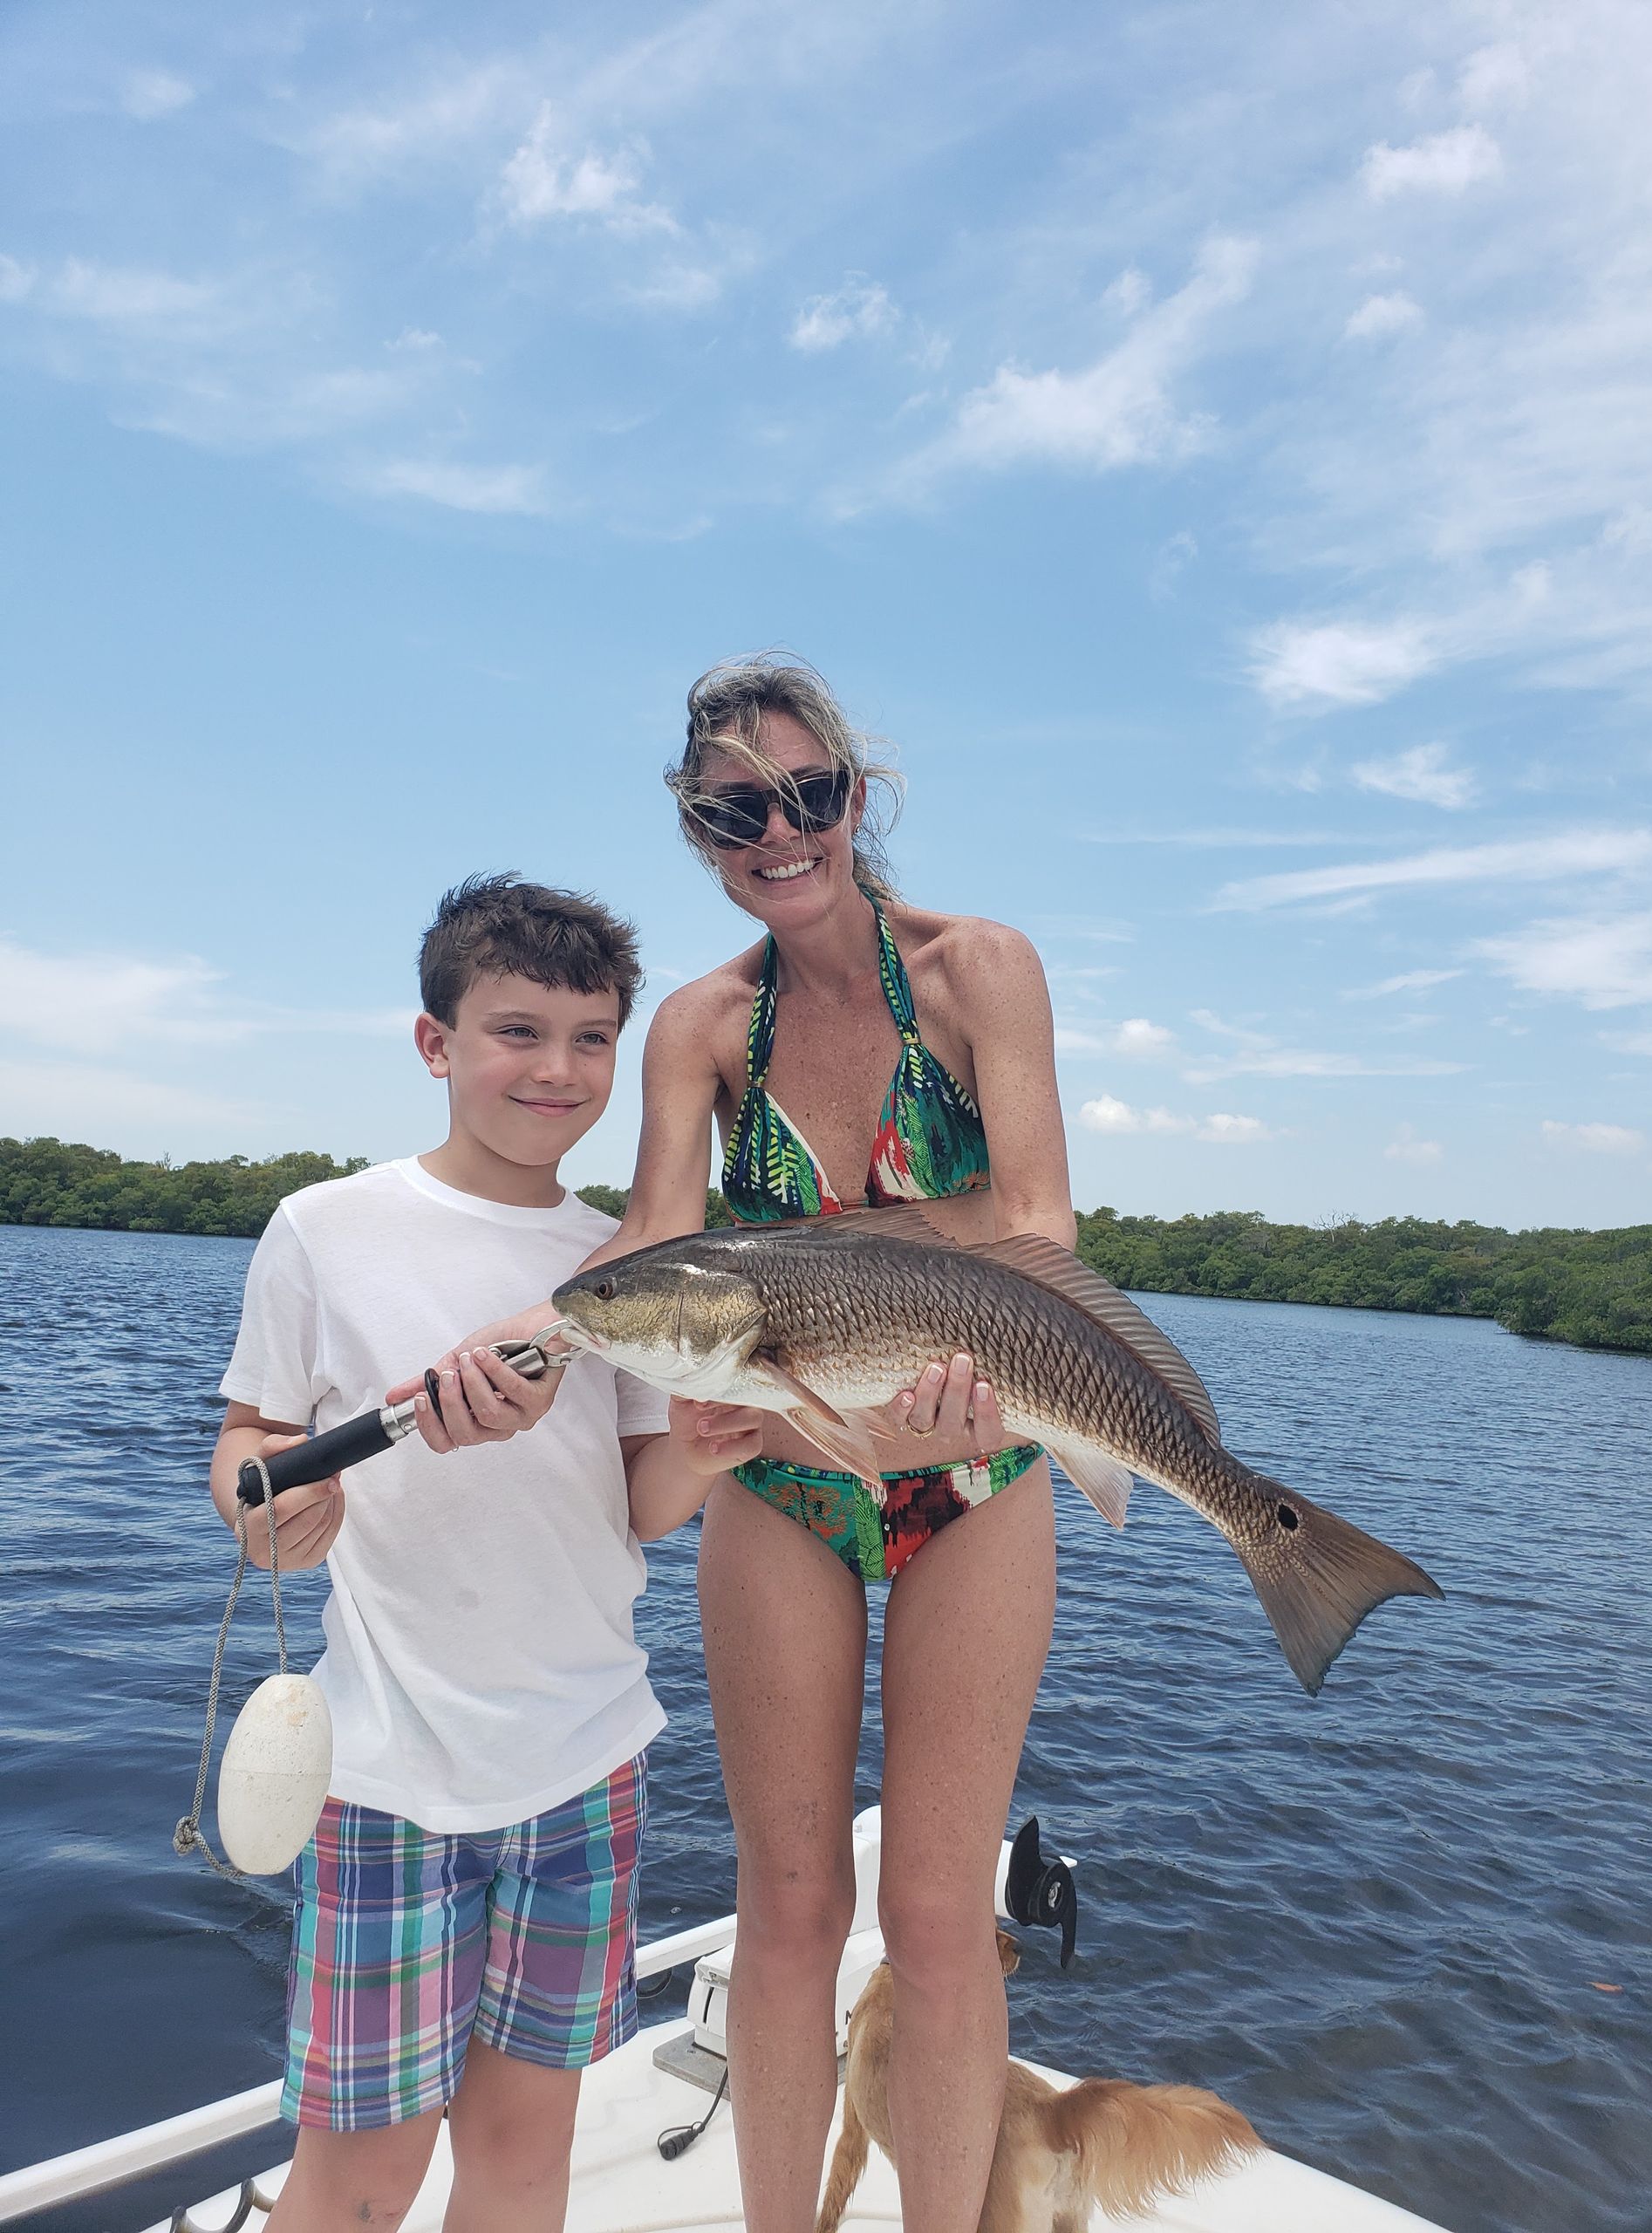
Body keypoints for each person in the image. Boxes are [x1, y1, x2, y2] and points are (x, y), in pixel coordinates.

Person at [411, 662, 1076, 2233]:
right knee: (785, 1909)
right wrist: (518, 1348)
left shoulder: (981, 970)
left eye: (807, 796)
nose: (778, 834)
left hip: (976, 1462)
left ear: (858, 795)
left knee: (937, 1917)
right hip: (778, 1468)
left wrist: (837, 1267)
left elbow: (1040, 1226)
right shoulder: (702, 1025)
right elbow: (655, 1236)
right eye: (733, 812)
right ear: (699, 833)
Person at [208, 875, 758, 2233]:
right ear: (435, 1042)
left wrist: (704, 1445)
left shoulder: (633, 1261)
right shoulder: (323, 1228)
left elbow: (639, 1505)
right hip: (388, 1775)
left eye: (592, 1039)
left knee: (523, 2162)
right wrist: (267, 1509)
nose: (557, 1069)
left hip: (586, 1767)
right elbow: (251, 1442)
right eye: (518, 1031)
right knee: (362, 2180)